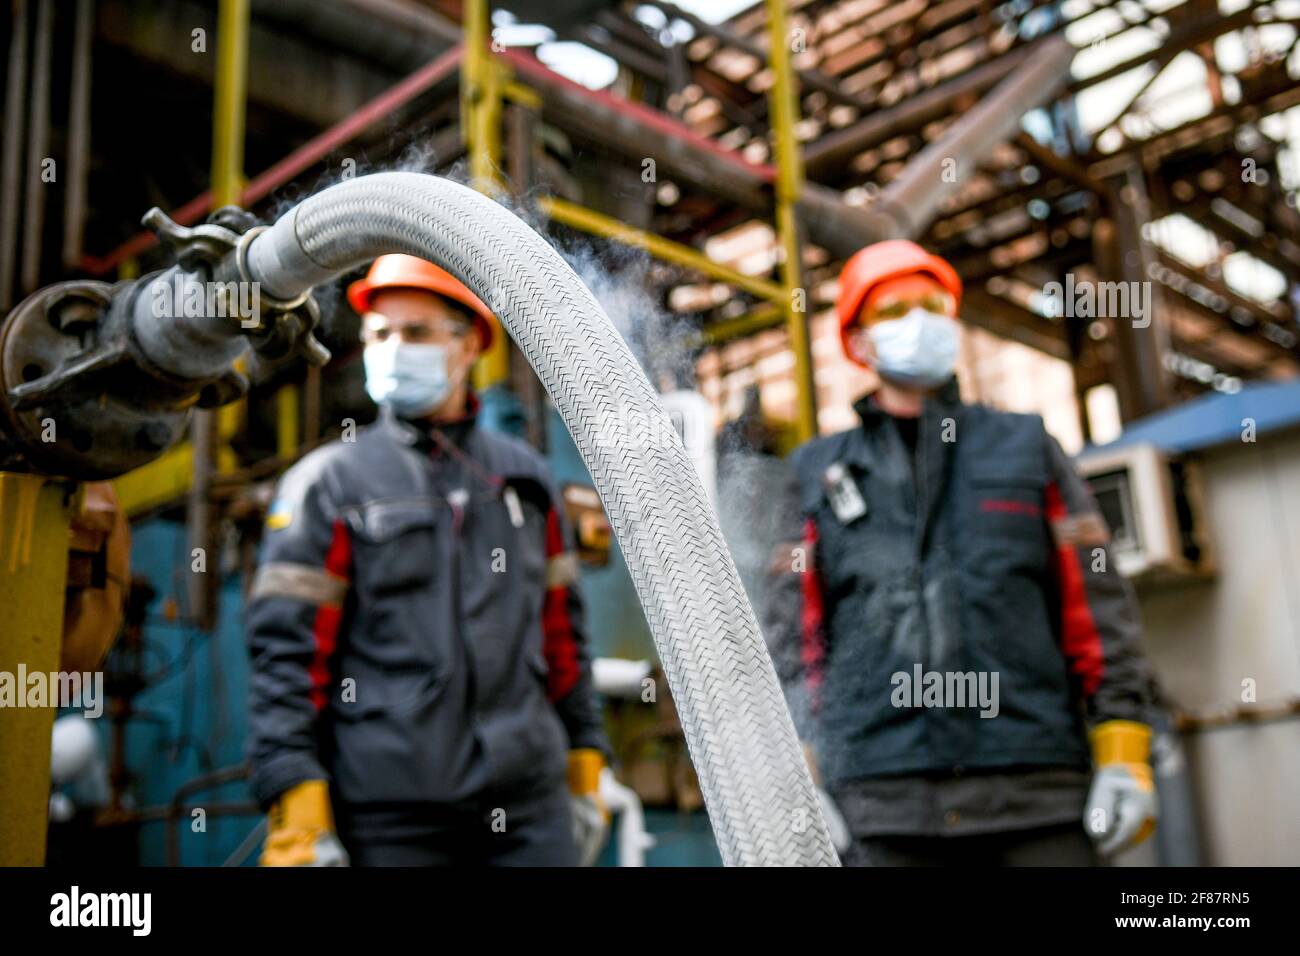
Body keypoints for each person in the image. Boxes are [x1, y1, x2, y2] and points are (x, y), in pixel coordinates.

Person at [767, 239, 1158, 866]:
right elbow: (793, 638)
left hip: (1036, 792)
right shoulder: (817, 474)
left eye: (932, 305)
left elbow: (1098, 607)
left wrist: (1125, 754)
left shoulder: (1027, 448)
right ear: (858, 342)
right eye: (894, 311)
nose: (918, 323)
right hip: (882, 801)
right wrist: (798, 775)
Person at [246, 254, 609, 866]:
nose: (393, 349)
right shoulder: (330, 484)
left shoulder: (525, 478)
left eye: (416, 333)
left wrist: (585, 762)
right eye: (379, 335)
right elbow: (285, 659)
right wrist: (298, 802)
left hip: (529, 809)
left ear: (469, 348)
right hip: (392, 818)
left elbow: (563, 638)